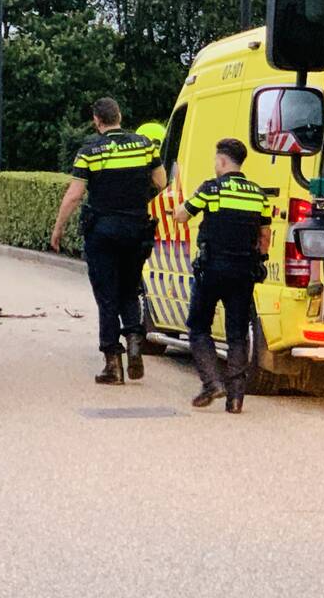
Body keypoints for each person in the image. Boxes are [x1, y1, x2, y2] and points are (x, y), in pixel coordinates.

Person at [51, 98, 167, 385]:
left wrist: (58, 228)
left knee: (107, 296)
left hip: (102, 233)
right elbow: (161, 182)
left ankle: (112, 365)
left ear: (96, 120)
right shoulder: (145, 146)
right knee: (129, 289)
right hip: (136, 230)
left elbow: (74, 195)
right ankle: (134, 338)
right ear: (119, 116)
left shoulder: (89, 151)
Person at [175, 138, 272, 414]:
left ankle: (212, 383)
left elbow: (181, 216)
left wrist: (182, 202)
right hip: (244, 272)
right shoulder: (258, 195)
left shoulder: (211, 189)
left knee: (198, 327)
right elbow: (265, 235)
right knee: (237, 334)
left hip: (212, 269)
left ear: (222, 160)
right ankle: (236, 398)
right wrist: (259, 260)